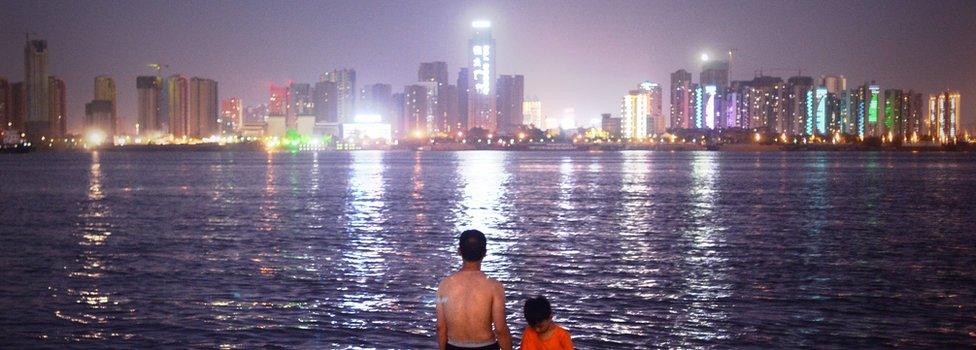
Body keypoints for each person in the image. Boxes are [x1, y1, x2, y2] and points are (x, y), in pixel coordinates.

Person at [436, 230, 513, 350]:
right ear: (485, 253)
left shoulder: (444, 285)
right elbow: (500, 329)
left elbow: (441, 327)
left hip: (454, 346)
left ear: (459, 251)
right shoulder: (494, 286)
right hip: (486, 346)